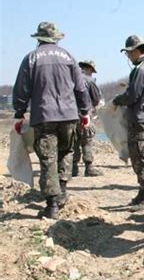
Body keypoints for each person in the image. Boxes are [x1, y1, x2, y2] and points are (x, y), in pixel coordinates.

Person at [12, 22, 92, 219]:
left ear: (38, 39)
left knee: (48, 158)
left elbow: (22, 88)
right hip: (69, 115)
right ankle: (62, 190)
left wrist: (19, 111)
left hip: (44, 115)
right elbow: (80, 87)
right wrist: (84, 111)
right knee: (66, 152)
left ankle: (52, 204)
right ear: (56, 38)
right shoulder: (69, 57)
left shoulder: (31, 58)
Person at [113, 35, 144, 211]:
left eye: (128, 53)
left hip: (140, 118)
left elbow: (133, 95)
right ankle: (143, 191)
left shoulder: (140, 70)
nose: (128, 57)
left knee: (140, 157)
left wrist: (117, 100)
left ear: (135, 51)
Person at [72, 60, 104, 177]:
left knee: (74, 141)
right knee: (87, 141)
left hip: (70, 115)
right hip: (86, 115)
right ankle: (88, 167)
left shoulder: (71, 77)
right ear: (90, 69)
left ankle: (73, 167)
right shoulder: (89, 80)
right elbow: (96, 99)